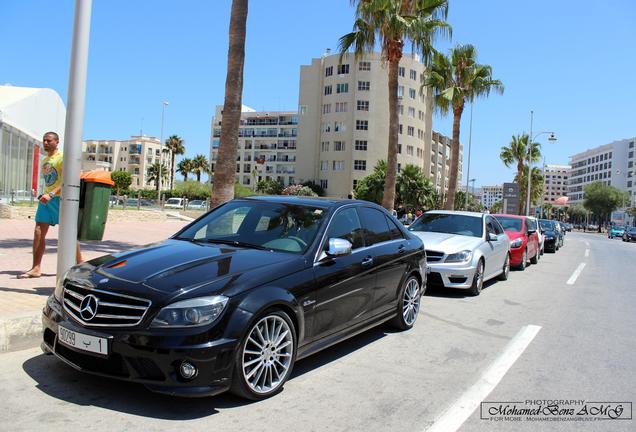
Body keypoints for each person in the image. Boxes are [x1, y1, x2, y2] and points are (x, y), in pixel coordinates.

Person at [19, 132, 82, 278]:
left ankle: (80, 263)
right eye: (44, 141)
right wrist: (46, 195)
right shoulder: (45, 160)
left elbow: (69, 179)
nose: (45, 143)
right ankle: (35, 268)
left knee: (69, 235)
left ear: (57, 142)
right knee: (38, 232)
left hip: (61, 200)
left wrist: (52, 194)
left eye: (49, 140)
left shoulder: (62, 158)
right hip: (46, 201)